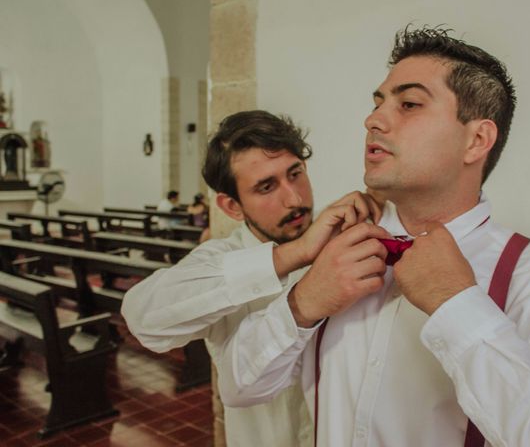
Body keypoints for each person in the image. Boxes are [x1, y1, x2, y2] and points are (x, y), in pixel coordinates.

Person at [215, 27, 530, 446]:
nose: (373, 119)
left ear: (476, 140)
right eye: (379, 103)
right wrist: (303, 302)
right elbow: (239, 389)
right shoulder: (333, 253)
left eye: (410, 104)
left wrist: (458, 308)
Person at [121, 110, 382, 447]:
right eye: (266, 186)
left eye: (295, 173)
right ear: (232, 207)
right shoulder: (220, 259)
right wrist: (296, 252)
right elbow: (144, 319)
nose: (295, 198)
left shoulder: (343, 241)